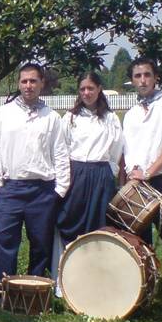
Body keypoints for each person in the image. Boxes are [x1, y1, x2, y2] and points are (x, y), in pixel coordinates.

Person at [0, 62, 70, 279]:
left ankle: (35, 291)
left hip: (42, 191)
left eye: (33, 81)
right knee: (4, 241)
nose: (28, 85)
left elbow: (60, 154)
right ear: (19, 84)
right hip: (10, 188)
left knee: (41, 243)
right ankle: (6, 287)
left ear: (42, 83)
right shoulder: (4, 113)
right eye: (24, 81)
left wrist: (59, 190)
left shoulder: (52, 117)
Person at [121, 57, 162, 298]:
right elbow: (125, 150)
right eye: (137, 76)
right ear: (132, 80)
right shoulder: (131, 114)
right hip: (136, 185)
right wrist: (131, 177)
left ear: (156, 77)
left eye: (147, 75)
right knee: (139, 242)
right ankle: (145, 290)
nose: (143, 80)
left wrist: (148, 172)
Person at [57, 71, 124, 246]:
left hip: (102, 175)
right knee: (72, 219)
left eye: (90, 88)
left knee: (100, 225)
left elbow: (116, 149)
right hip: (76, 174)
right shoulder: (70, 117)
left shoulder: (110, 118)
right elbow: (62, 148)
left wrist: (110, 172)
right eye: (82, 89)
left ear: (99, 89)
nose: (86, 93)